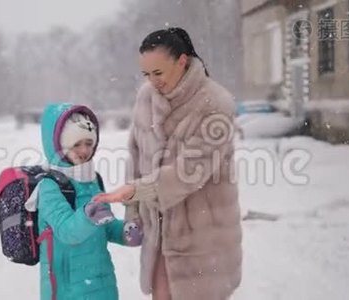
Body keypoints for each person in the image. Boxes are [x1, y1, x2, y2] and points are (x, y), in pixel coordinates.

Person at [93, 27, 242, 300]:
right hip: (159, 238)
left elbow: (189, 173)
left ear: (182, 61)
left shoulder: (215, 105)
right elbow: (136, 155)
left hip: (203, 241)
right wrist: (132, 211)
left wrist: (135, 190)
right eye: (146, 74)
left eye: (158, 73)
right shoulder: (146, 98)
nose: (152, 81)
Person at [37, 103, 142, 300]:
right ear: (58, 146)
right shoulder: (49, 186)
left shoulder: (93, 179)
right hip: (67, 288)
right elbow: (66, 231)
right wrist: (88, 214)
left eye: (88, 143)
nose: (84, 150)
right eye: (76, 144)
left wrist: (127, 232)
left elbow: (105, 226)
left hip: (103, 283)